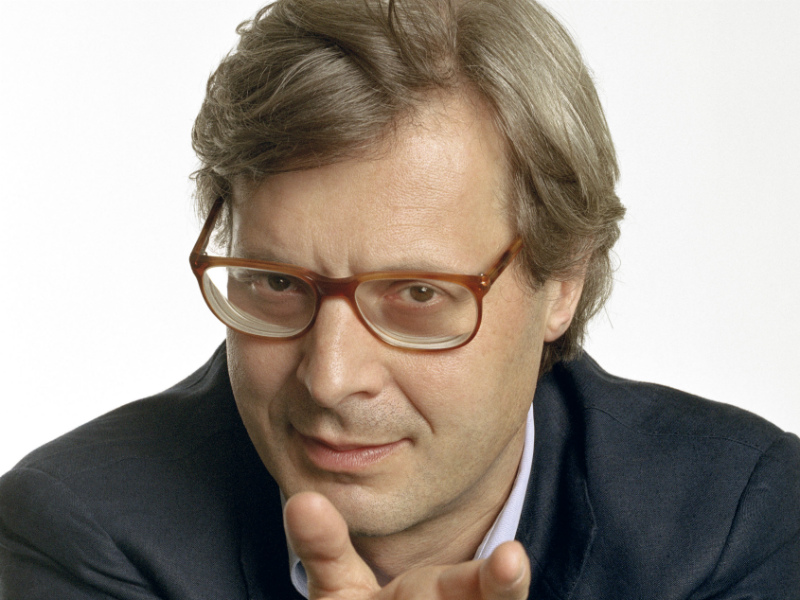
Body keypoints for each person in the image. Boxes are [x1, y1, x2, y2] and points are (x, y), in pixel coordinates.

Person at [1, 0, 798, 598]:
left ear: (564, 281)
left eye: (417, 293)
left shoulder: (738, 524)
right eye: (276, 282)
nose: (329, 379)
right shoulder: (80, 534)